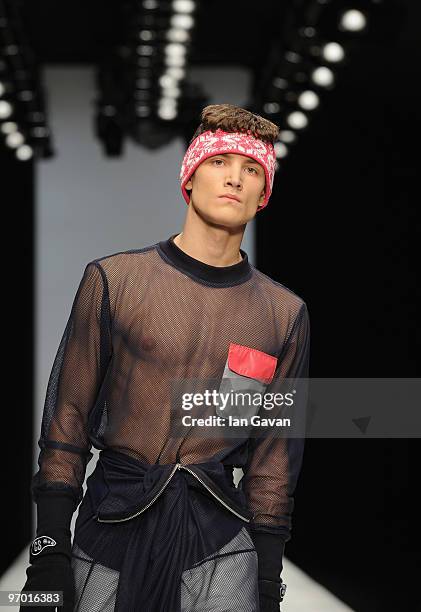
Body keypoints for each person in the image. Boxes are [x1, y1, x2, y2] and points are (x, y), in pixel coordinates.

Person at [21, 103, 310, 612]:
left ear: (263, 195)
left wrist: (267, 578)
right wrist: (47, 550)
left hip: (218, 543)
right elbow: (67, 419)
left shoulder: (283, 314)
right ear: (189, 178)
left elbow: (273, 455)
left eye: (252, 169)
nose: (234, 179)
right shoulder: (115, 280)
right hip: (112, 522)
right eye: (219, 162)